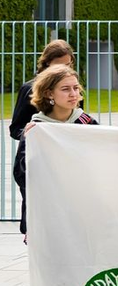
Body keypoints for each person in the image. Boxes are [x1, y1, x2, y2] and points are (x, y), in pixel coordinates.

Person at [12, 63, 97, 235]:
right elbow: (21, 174)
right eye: (65, 89)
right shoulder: (36, 128)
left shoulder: (87, 122)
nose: (74, 94)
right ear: (49, 93)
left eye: (76, 88)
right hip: (47, 213)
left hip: (81, 211)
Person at [9, 39, 75, 140]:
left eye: (68, 65)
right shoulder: (29, 89)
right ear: (47, 62)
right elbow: (15, 129)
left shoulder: (73, 88)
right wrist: (32, 133)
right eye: (59, 65)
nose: (64, 69)